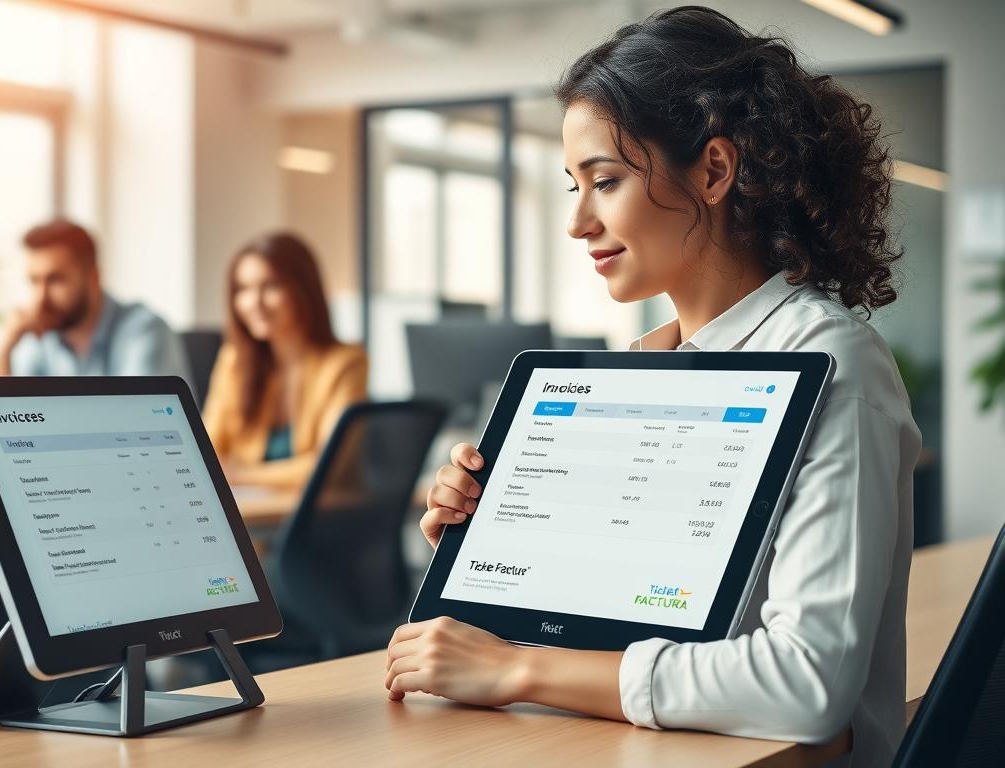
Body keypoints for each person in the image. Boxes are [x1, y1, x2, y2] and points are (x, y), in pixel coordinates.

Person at [384, 8, 919, 767]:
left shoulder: (835, 362)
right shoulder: (644, 368)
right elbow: (611, 638)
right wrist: (489, 559)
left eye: (604, 180)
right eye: (573, 185)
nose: (577, 222)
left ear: (713, 170)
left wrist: (516, 668)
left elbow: (806, 684)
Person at [203, 232, 367, 489]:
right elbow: (205, 453)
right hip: (254, 515)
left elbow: (328, 466)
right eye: (243, 289)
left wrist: (240, 474)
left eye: (270, 286)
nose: (254, 303)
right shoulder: (233, 361)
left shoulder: (345, 363)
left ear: (303, 289)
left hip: (322, 518)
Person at [0, 219, 192, 390]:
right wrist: (5, 348)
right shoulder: (40, 340)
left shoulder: (145, 330)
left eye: (55, 280)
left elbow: (137, 423)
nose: (40, 298)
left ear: (93, 277)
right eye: (34, 281)